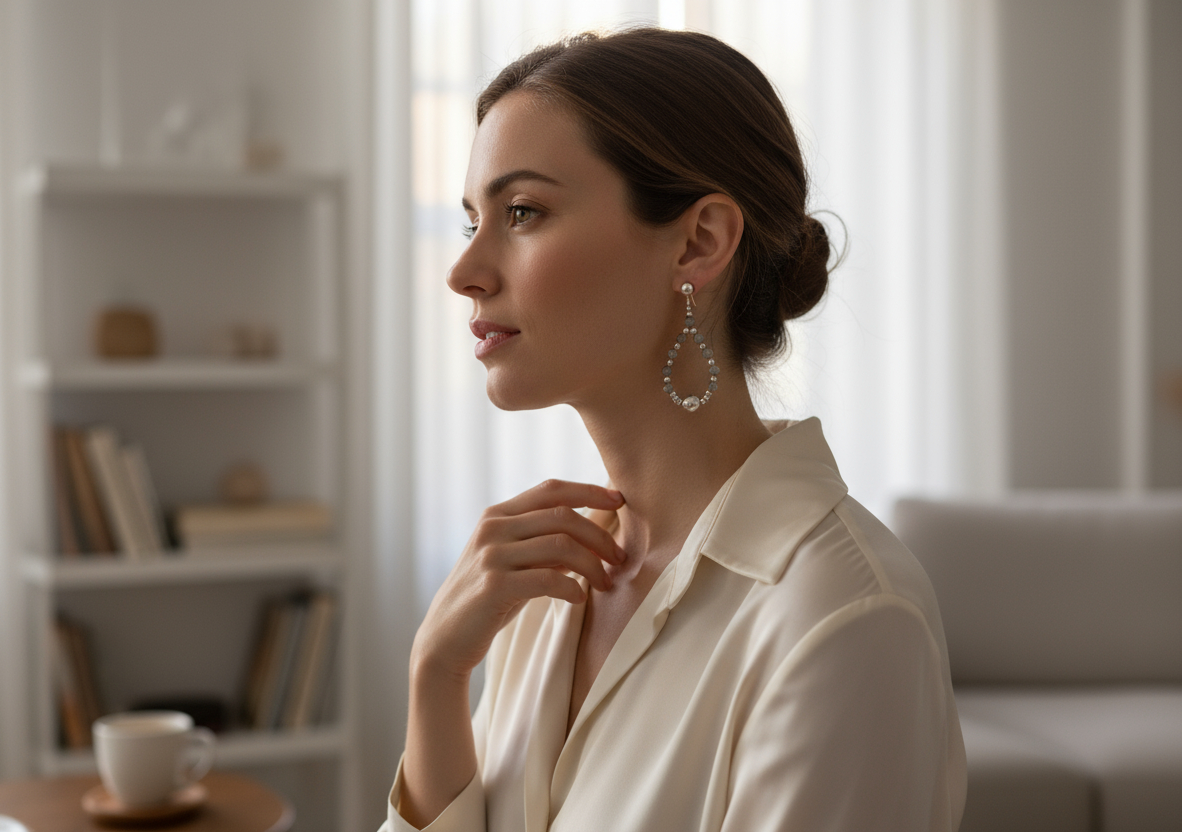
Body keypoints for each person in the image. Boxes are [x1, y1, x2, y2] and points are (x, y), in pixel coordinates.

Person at [381, 27, 966, 832]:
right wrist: (435, 677)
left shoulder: (845, 618)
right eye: (470, 219)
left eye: (522, 211)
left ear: (699, 242)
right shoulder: (543, 581)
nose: (464, 270)